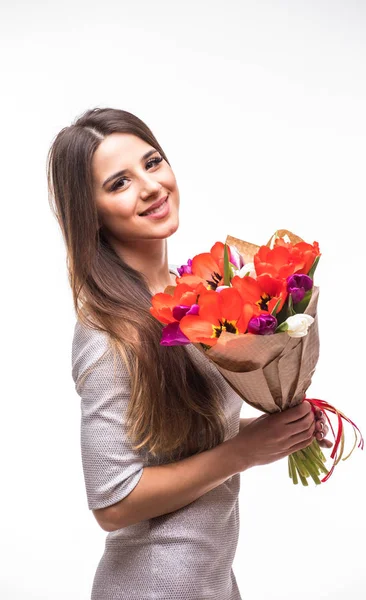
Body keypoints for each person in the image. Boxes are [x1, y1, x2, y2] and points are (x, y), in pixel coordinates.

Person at [46, 107, 331, 600]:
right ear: (88, 212)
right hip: (156, 587)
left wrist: (278, 430)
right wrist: (242, 452)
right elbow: (112, 502)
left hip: (212, 583)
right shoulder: (107, 331)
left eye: (153, 162)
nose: (151, 187)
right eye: (119, 183)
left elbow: (180, 442)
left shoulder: (195, 296)